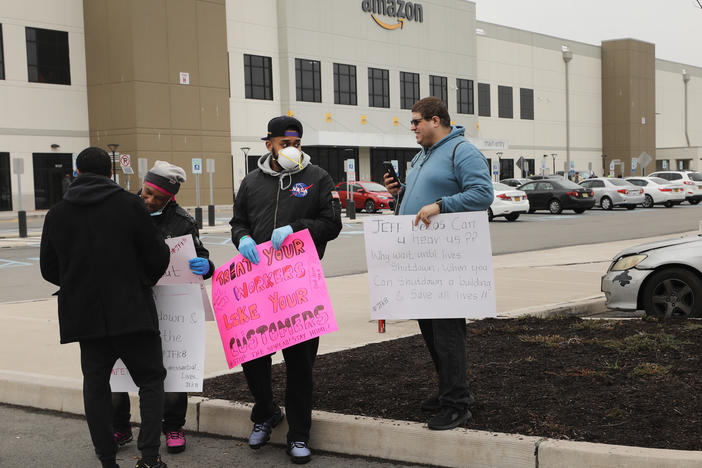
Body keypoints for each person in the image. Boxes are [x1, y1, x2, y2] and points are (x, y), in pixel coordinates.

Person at [40, 147, 171, 468]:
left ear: (77, 172)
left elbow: (48, 269)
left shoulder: (57, 214)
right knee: (151, 380)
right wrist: (141, 281)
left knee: (96, 386)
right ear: (110, 173)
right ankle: (150, 458)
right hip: (133, 311)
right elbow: (157, 256)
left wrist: (77, 284)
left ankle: (107, 459)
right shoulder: (131, 206)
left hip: (85, 317)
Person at [229, 115, 342, 464]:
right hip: (258, 287)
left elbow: (332, 224)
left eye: (296, 143)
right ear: (269, 145)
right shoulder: (251, 182)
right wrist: (242, 238)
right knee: (253, 357)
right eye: (284, 143)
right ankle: (265, 412)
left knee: (299, 364)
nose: (291, 148)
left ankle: (298, 435)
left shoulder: (317, 178)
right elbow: (238, 222)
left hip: (299, 286)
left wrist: (296, 228)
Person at [384, 97, 493, 431]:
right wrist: (399, 193)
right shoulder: (421, 156)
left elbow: (482, 194)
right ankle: (448, 390)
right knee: (431, 331)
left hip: (447, 261)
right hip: (421, 259)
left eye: (416, 122)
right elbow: (421, 200)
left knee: (447, 332)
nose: (412, 128)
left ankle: (457, 404)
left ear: (435, 120)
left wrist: (441, 205)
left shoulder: (463, 151)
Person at [111, 161, 215, 455]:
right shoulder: (123, 210)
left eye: (159, 197)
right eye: (147, 193)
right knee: (117, 369)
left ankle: (173, 426)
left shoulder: (182, 221)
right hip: (128, 301)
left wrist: (206, 265)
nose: (150, 200)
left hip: (170, 306)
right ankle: (119, 426)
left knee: (174, 367)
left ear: (171, 198)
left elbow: (201, 254)